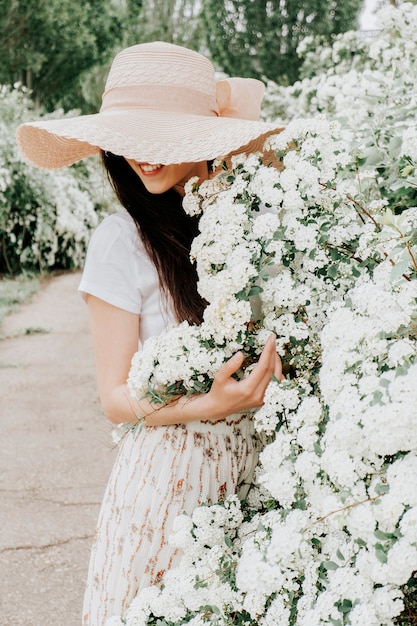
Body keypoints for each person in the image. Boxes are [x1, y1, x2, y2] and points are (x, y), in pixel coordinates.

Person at [16, 41, 284, 626]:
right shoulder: (122, 240)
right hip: (169, 481)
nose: (142, 154)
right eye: (130, 135)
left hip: (256, 477)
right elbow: (115, 400)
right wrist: (211, 403)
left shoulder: (255, 222)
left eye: (161, 133)